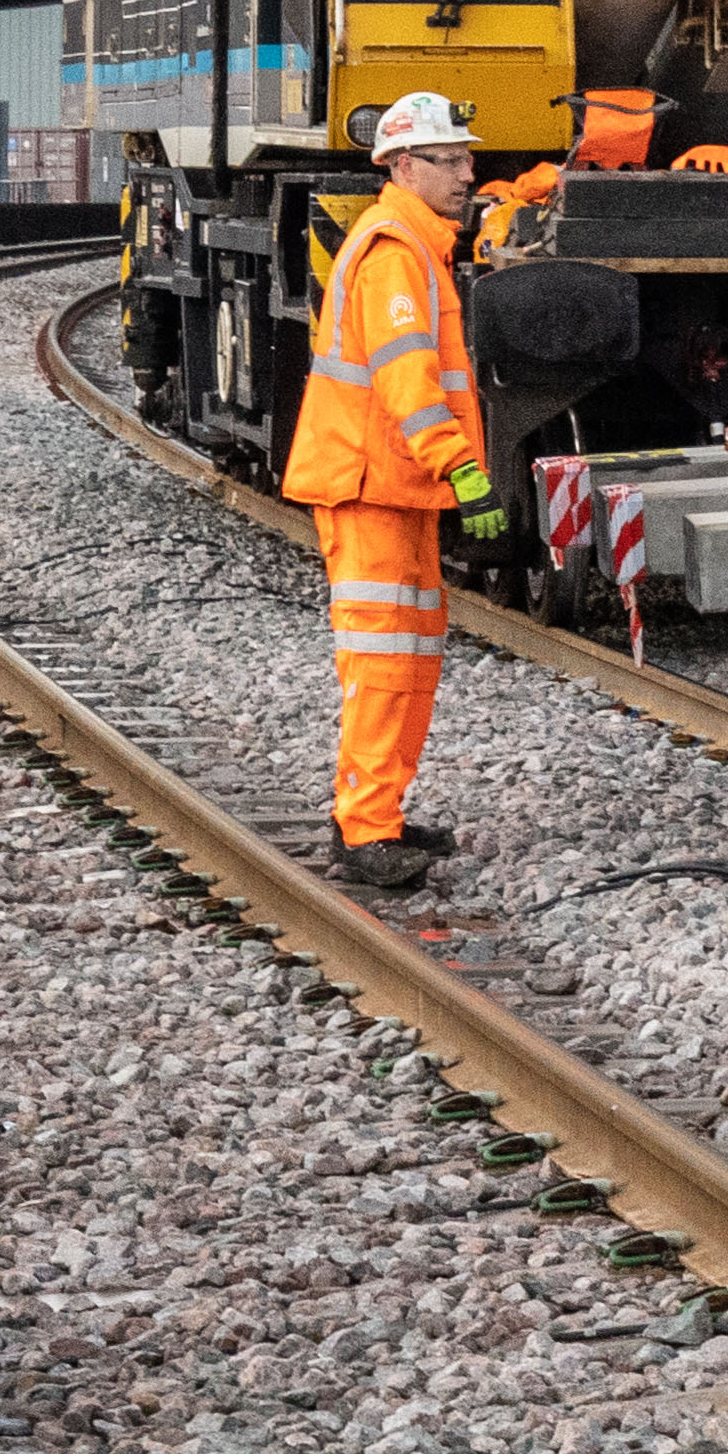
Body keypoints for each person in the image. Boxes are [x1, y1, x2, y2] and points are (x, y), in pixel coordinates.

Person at [280, 92, 499, 894]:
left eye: (467, 159)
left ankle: (377, 813)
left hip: (394, 485)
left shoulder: (417, 246)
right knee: (380, 661)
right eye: (449, 160)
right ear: (402, 167)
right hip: (371, 484)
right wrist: (462, 468)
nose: (466, 174)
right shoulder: (393, 253)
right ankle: (363, 828)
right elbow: (408, 382)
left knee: (409, 654)